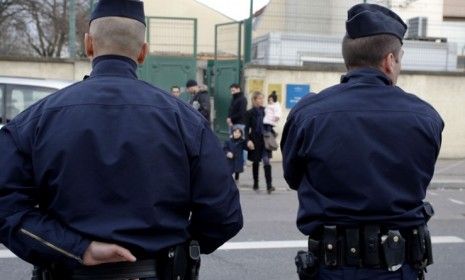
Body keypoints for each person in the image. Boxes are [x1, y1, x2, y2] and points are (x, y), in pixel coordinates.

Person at [0, 1, 243, 279]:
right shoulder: (186, 121)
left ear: (89, 45)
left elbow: (6, 207)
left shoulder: (36, 121)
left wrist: (78, 248)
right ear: (143, 52)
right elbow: (224, 216)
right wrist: (175, 246)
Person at [281, 4, 443, 280]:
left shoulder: (308, 114)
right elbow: (419, 178)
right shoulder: (425, 116)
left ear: (349, 59)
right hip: (398, 267)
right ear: (389, 60)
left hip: (332, 269)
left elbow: (293, 176)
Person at [244, 91, 275, 194]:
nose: (262, 100)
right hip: (255, 140)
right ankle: (256, 182)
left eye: (263, 98)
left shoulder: (267, 111)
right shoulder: (249, 113)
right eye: (259, 98)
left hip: (265, 139)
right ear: (254, 100)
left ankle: (269, 185)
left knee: (266, 161)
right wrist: (248, 140)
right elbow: (246, 129)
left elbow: (271, 123)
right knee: (256, 162)